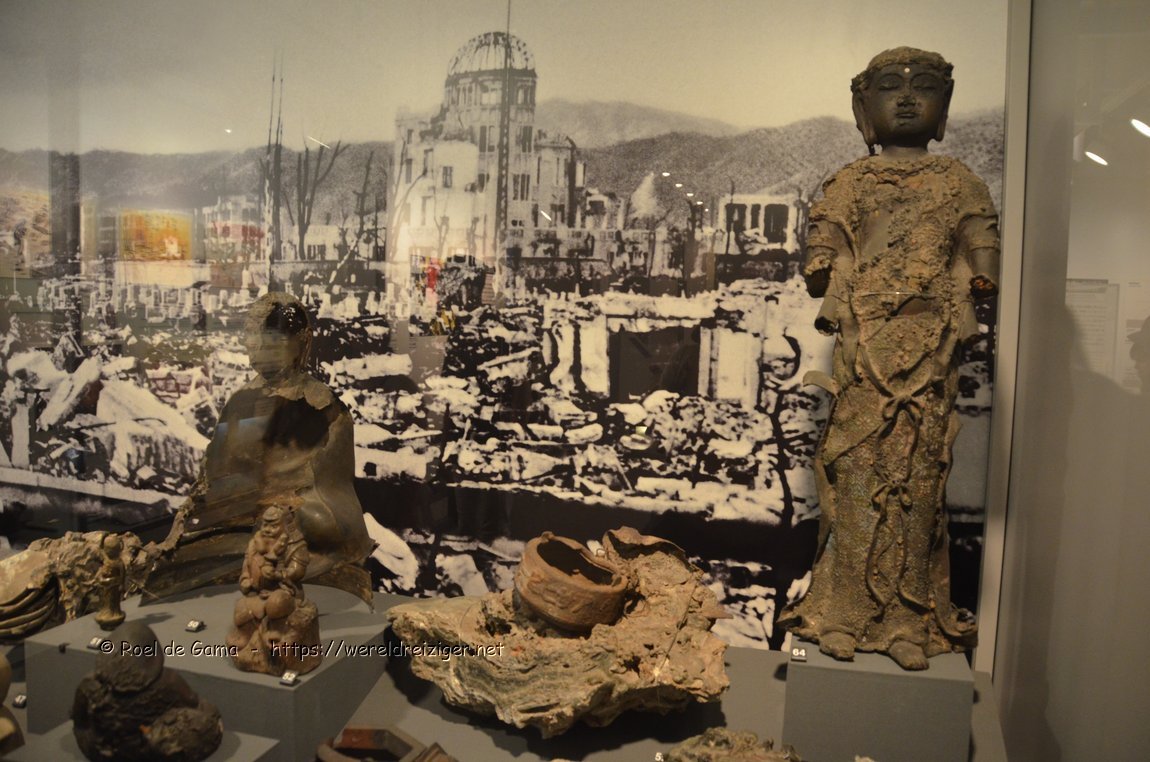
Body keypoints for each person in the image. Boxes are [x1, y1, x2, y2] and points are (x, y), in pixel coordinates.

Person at [779, 48, 998, 670]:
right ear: (864, 106)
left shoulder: (959, 182)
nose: (906, 98)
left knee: (918, 485)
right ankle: (842, 612)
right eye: (890, 88)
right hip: (865, 351)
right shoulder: (851, 182)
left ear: (943, 106)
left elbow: (979, 239)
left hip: (931, 351)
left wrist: (979, 276)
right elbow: (828, 242)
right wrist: (828, 266)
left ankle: (908, 619)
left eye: (922, 87)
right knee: (855, 481)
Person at [147, 292, 372, 603]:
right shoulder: (240, 402)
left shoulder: (324, 406)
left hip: (299, 514)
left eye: (269, 338)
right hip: (242, 512)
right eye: (251, 336)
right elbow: (216, 477)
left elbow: (335, 493)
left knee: (320, 521)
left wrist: (283, 504)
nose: (255, 346)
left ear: (301, 342)